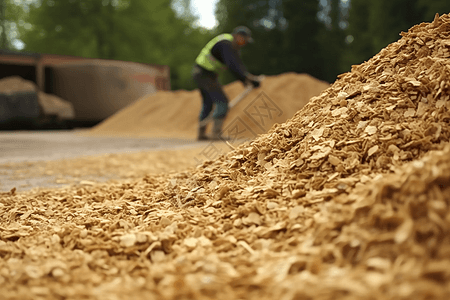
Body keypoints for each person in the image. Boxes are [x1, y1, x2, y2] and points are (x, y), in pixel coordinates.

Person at [192, 25, 261, 141]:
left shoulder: (229, 44)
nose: (245, 43)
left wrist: (246, 79)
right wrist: (246, 79)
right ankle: (216, 134)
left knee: (208, 102)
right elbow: (233, 65)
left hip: (201, 73)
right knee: (222, 101)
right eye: (245, 40)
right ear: (239, 37)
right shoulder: (227, 44)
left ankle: (201, 134)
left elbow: (238, 65)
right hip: (205, 74)